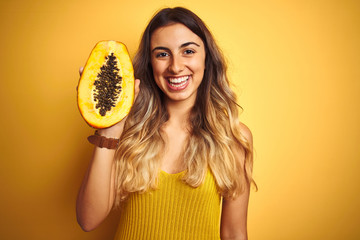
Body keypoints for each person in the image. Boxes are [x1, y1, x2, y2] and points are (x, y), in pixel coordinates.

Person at [76, 7, 256, 240]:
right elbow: (88, 220)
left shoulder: (232, 137)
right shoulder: (129, 132)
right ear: (150, 64)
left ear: (206, 58)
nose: (175, 66)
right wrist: (109, 125)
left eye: (188, 51)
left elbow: (234, 232)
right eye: (162, 54)